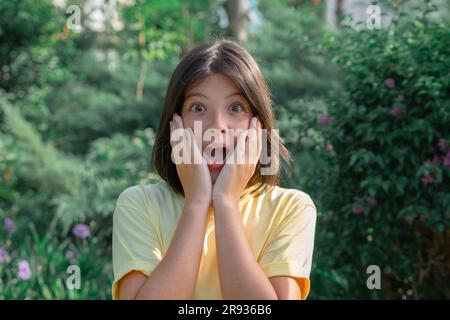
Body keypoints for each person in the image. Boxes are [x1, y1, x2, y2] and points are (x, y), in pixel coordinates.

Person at [112, 39, 317, 300]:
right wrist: (197, 201)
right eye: (198, 108)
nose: (217, 125)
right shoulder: (139, 205)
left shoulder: (291, 208)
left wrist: (225, 201)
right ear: (175, 124)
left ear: (259, 125)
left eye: (235, 108)